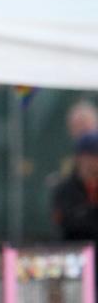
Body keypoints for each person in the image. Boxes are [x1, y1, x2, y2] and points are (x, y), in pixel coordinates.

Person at [51, 102, 98, 244]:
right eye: (76, 127)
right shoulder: (66, 187)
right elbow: (67, 222)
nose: (91, 163)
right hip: (77, 252)